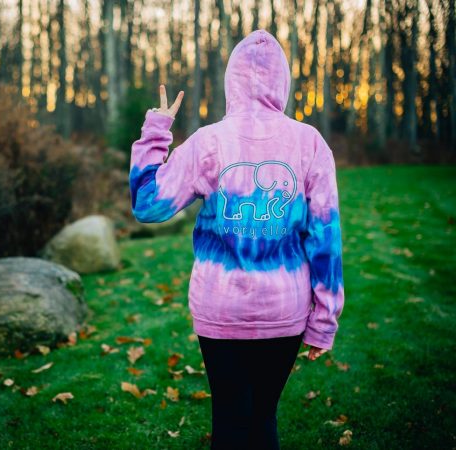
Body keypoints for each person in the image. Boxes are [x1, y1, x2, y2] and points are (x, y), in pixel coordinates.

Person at [129, 28, 344, 450]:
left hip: (220, 308)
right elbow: (325, 237)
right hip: (285, 310)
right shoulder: (310, 143)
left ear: (232, 81)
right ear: (282, 82)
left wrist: (156, 131)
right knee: (262, 417)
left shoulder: (208, 142)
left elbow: (148, 204)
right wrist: (324, 320)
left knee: (229, 419)